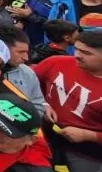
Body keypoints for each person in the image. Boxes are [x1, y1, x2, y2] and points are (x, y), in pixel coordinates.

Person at [34, 29, 102, 171]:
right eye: (76, 49)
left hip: (86, 152)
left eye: (86, 53)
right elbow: (28, 87)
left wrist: (88, 135)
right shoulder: (55, 62)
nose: (77, 55)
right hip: (42, 135)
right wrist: (43, 104)